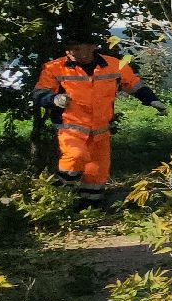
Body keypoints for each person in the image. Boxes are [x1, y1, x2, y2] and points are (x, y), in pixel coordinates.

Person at [33, 30, 165, 210]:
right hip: (71, 128)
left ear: (92, 48)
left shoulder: (114, 65)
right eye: (70, 49)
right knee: (76, 157)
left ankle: (89, 208)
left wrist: (152, 100)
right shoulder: (54, 67)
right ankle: (56, 196)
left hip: (101, 131)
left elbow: (134, 84)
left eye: (78, 48)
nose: (73, 53)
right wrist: (54, 99)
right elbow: (40, 93)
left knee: (97, 173)